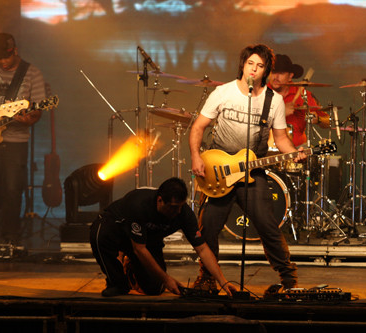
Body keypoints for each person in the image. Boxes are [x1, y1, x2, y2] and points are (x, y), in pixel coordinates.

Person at [189, 44, 305, 291]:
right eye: (251, 63)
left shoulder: (273, 101)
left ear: (266, 71)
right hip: (218, 169)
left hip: (253, 171)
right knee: (208, 227)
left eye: (260, 66)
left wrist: (295, 154)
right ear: (243, 65)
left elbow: (281, 138)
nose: (254, 69)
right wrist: (196, 157)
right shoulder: (223, 93)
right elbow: (198, 127)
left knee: (267, 225)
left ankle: (288, 279)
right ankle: (208, 278)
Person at [90, 177, 237, 297]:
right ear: (160, 200)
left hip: (147, 240)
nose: (177, 211)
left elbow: (203, 249)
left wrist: (223, 282)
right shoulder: (139, 204)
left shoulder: (183, 213)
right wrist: (167, 279)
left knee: (154, 289)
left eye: (180, 206)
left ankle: (131, 268)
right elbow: (139, 249)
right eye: (173, 207)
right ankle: (117, 282)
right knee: (100, 235)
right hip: (118, 230)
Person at [0, 33, 45, 246]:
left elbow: (37, 110)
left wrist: (26, 119)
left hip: (16, 140)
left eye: (5, 58)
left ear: (14, 51)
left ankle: (10, 240)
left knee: (11, 189)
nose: (2, 62)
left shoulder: (32, 73)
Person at [268, 54, 330, 147]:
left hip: (298, 150)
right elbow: (252, 123)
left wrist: (318, 120)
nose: (276, 77)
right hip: (268, 150)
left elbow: (328, 122)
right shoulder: (261, 92)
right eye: (273, 72)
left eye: (281, 73)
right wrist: (281, 112)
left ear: (290, 76)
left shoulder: (303, 94)